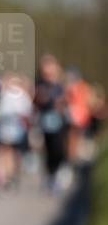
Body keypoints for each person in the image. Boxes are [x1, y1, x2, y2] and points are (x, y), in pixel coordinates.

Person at [34, 54, 70, 191]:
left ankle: (58, 171)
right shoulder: (39, 83)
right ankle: (50, 176)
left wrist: (62, 103)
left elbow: (67, 100)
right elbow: (36, 100)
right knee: (48, 149)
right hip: (44, 121)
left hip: (59, 121)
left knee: (58, 148)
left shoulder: (60, 83)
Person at [0, 73, 33, 190]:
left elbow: (26, 113)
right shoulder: (6, 95)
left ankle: (8, 176)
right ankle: (4, 176)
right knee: (3, 152)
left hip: (14, 130)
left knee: (9, 153)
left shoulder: (19, 96)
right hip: (4, 129)